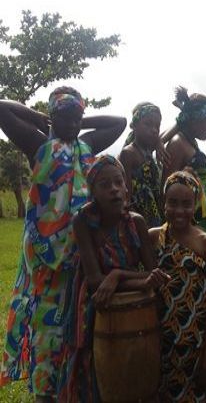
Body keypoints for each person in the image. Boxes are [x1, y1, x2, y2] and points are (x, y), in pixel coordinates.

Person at [0, 87, 125, 401]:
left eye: (77, 117)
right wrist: (40, 117)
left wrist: (78, 122)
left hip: (82, 257)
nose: (72, 123)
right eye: (65, 117)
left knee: (76, 326)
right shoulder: (40, 145)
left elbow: (120, 122)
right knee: (45, 332)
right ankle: (45, 393)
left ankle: (74, 387)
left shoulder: (86, 145)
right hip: (44, 261)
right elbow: (2, 108)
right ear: (54, 116)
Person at [58, 155, 168, 402]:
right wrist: (134, 280)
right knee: (93, 366)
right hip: (94, 303)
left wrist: (117, 276)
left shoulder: (136, 222)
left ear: (126, 186)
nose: (114, 190)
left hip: (130, 305)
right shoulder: (83, 222)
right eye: (105, 184)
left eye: (119, 182)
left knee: (133, 370)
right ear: (93, 191)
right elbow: (96, 280)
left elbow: (153, 273)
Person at [149, 171, 206, 402]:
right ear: (163, 202)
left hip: (195, 347)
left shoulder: (205, 242)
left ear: (196, 204)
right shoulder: (153, 238)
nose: (179, 210)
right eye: (173, 203)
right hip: (160, 345)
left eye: (187, 204)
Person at [161, 86, 206, 299]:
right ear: (194, 120)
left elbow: (195, 184)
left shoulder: (190, 142)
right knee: (195, 282)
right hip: (192, 223)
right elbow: (169, 187)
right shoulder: (177, 144)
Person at [119, 102, 164, 227]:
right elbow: (125, 195)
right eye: (148, 124)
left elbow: (168, 133)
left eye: (157, 126)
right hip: (138, 217)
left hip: (155, 212)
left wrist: (159, 141)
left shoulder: (148, 149)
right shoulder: (128, 153)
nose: (154, 130)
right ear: (134, 125)